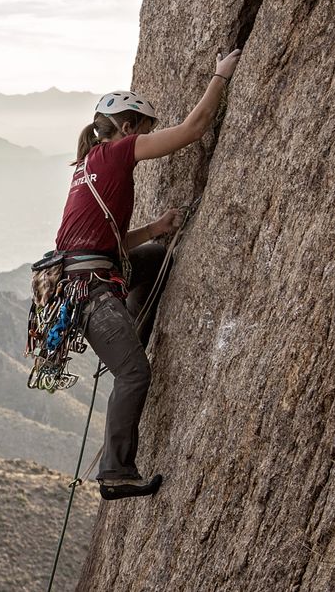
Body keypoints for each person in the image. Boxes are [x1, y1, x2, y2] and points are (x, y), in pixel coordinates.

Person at [54, 49, 243, 500]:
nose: (144, 137)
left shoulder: (88, 167)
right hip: (90, 288)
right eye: (143, 129)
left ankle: (130, 329)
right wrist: (220, 75)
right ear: (127, 127)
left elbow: (105, 242)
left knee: (157, 255)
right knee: (134, 372)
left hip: (90, 273)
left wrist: (156, 228)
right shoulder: (119, 153)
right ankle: (115, 474)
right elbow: (194, 129)